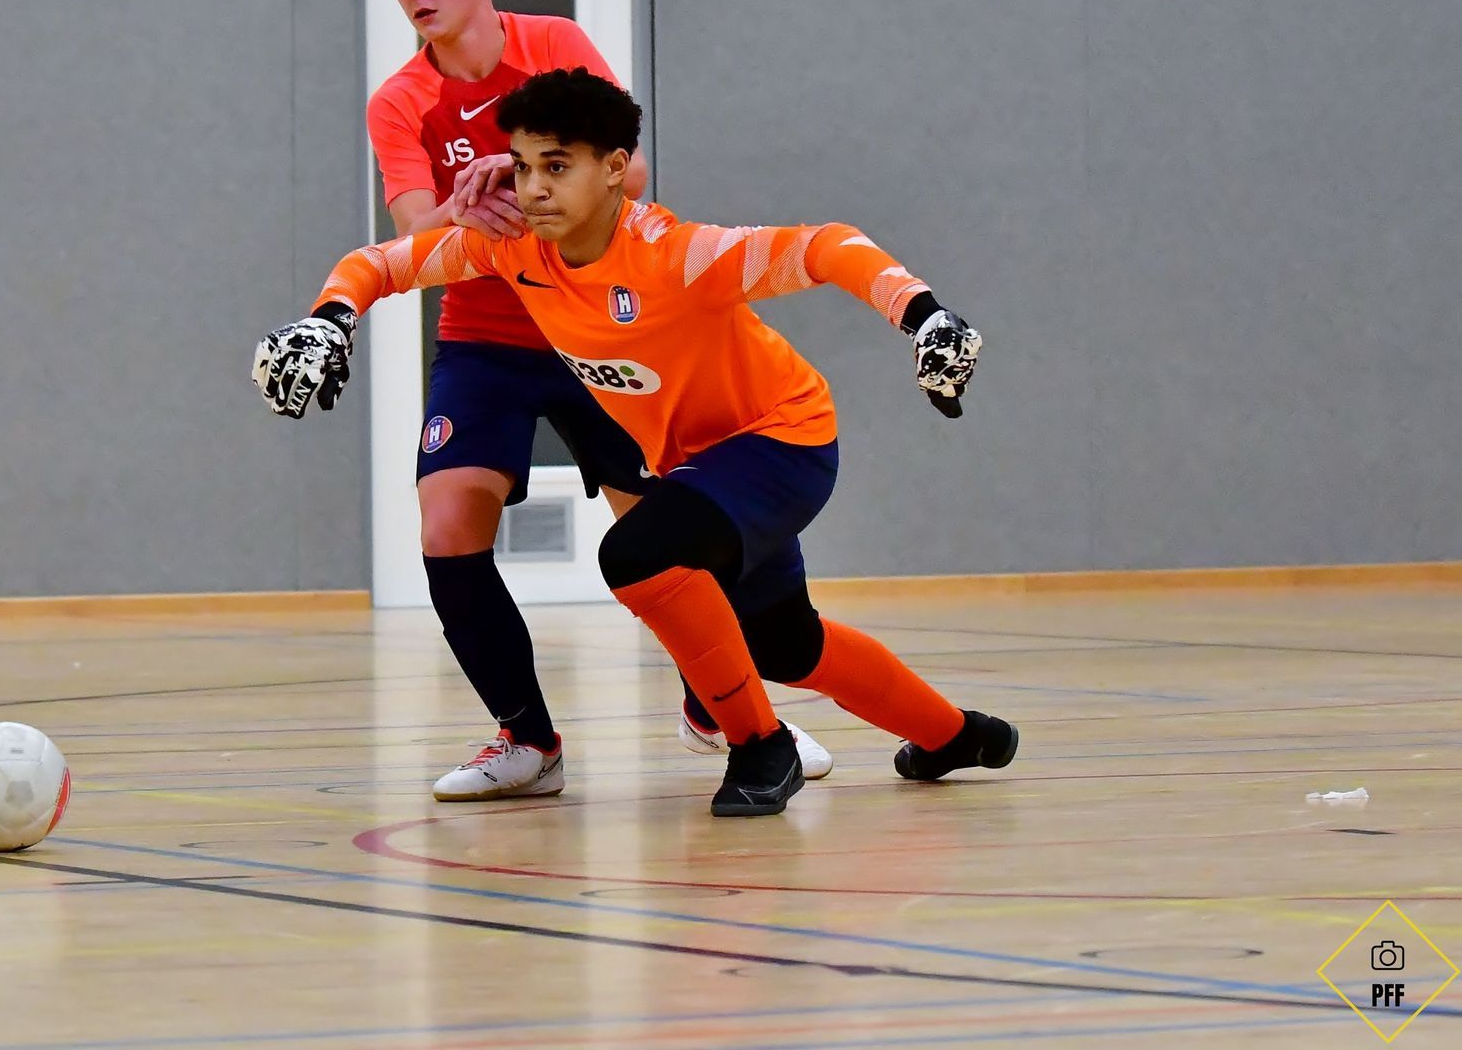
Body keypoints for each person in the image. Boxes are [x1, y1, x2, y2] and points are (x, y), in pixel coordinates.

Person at [255, 69, 1018, 816]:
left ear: (616, 168)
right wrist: (330, 318)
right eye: (522, 166)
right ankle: (955, 736)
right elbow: (386, 262)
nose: (534, 187)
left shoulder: (675, 254)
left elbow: (826, 246)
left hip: (782, 440)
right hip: (704, 466)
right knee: (787, 643)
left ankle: (760, 745)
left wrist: (923, 314)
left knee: (638, 554)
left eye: (557, 166)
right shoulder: (513, 249)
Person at [363, 0, 828, 800]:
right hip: (486, 341)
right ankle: (526, 741)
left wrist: (527, 175)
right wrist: (463, 206)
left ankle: (719, 707)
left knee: (665, 531)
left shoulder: (555, 46)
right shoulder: (400, 102)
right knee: (448, 523)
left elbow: (634, 169)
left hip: (599, 327)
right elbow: (416, 234)